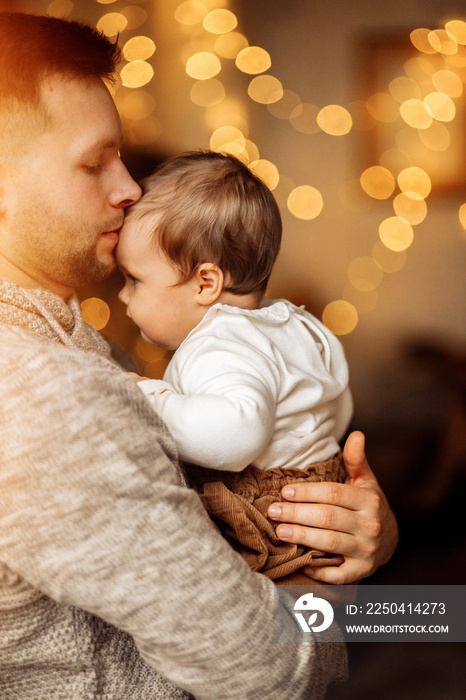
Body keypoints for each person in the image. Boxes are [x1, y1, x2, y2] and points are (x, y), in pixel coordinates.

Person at [0, 12, 398, 699]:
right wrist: (343, 587)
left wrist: (364, 534)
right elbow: (276, 674)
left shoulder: (69, 341)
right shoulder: (45, 393)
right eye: (94, 163)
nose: (129, 187)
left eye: (120, 157)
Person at [117, 150, 353, 584]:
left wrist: (149, 397)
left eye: (135, 280)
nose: (123, 296)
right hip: (320, 503)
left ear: (206, 283)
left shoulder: (220, 345)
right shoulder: (291, 321)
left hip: (267, 522)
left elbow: (236, 435)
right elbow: (337, 405)